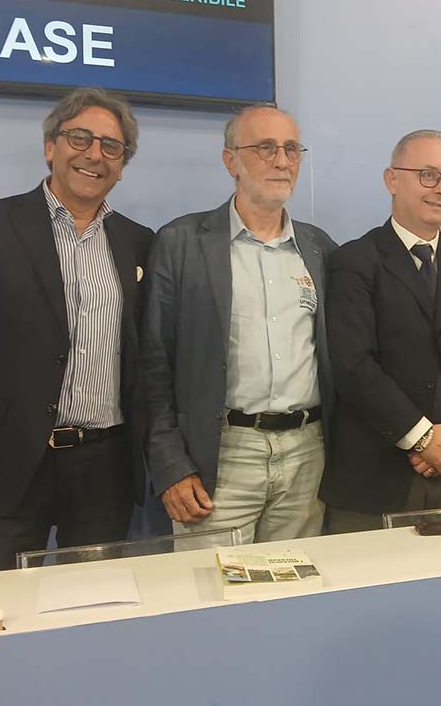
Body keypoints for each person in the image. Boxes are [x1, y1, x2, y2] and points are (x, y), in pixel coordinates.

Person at [0, 87, 153, 573]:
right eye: (80, 138)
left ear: (122, 165)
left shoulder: (138, 242)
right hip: (5, 470)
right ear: (51, 146)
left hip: (104, 470)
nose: (95, 154)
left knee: (94, 607)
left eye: (111, 146)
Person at [142, 105, 335, 543]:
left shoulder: (319, 249)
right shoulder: (181, 243)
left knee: (297, 582)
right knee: (213, 585)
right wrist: (171, 465)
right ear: (231, 160)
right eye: (266, 148)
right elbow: (153, 366)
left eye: (291, 149)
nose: (282, 161)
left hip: (307, 456)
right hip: (219, 456)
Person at [320, 129, 441, 531]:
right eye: (428, 175)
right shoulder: (355, 261)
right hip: (375, 478)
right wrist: (423, 438)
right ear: (392, 180)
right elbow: (354, 365)